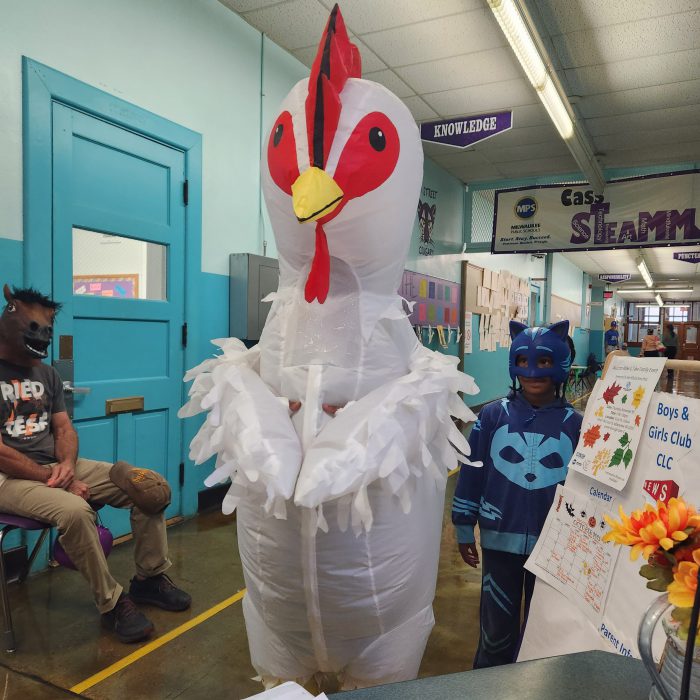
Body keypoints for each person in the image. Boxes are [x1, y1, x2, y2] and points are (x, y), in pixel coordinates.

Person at [0, 285, 191, 643]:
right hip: (7, 479)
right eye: (35, 326)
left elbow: (63, 428)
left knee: (146, 487)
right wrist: (57, 479)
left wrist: (66, 465)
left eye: (48, 327)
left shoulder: (47, 374)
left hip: (53, 466)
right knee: (75, 511)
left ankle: (149, 578)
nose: (44, 335)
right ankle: (112, 604)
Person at [452, 320, 583, 669]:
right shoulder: (493, 416)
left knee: (545, 635)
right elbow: (471, 472)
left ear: (561, 363)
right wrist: (463, 525)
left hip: (554, 547)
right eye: (523, 361)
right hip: (499, 544)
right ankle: (490, 686)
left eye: (544, 362)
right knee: (496, 633)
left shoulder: (577, 425)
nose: (533, 372)